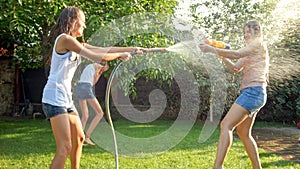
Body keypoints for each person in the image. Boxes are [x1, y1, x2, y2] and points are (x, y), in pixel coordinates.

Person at [42, 6, 145, 169]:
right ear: (71, 21)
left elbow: (105, 50)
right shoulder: (64, 40)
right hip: (54, 98)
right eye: (82, 22)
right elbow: (98, 57)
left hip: (66, 99)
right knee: (65, 147)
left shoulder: (76, 43)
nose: (85, 26)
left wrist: (131, 50)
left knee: (80, 138)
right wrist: (120, 56)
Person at [199, 20, 269, 169]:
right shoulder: (250, 49)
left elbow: (236, 54)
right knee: (243, 133)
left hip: (253, 92)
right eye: (244, 32)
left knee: (226, 125)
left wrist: (212, 50)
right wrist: (222, 56)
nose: (245, 35)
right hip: (255, 93)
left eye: (248, 32)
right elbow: (236, 68)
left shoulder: (258, 45)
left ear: (256, 32)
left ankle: (218, 167)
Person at [74, 62, 109, 145]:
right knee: (100, 113)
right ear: (105, 66)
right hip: (86, 87)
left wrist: (99, 73)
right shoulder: (98, 67)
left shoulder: (90, 66)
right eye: (105, 69)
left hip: (79, 86)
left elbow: (92, 82)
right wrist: (99, 73)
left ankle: (79, 138)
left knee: (85, 115)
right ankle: (87, 137)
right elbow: (93, 82)